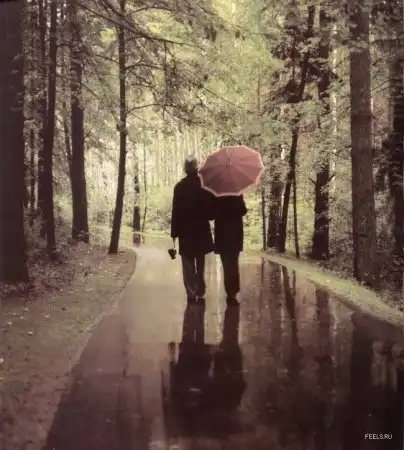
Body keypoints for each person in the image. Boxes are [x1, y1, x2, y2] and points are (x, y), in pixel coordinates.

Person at [170, 156, 215, 304]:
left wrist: (174, 233)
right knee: (200, 264)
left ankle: (191, 292)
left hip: (185, 232)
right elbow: (211, 211)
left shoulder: (179, 187)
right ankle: (200, 291)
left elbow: (175, 212)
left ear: (185, 169)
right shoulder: (204, 186)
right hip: (201, 231)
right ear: (196, 168)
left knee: (188, 264)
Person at [213, 195, 247, 305]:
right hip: (235, 234)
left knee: (226, 265)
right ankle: (233, 291)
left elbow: (212, 214)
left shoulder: (217, 195)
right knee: (233, 263)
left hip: (222, 234)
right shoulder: (237, 193)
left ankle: (230, 291)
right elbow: (243, 211)